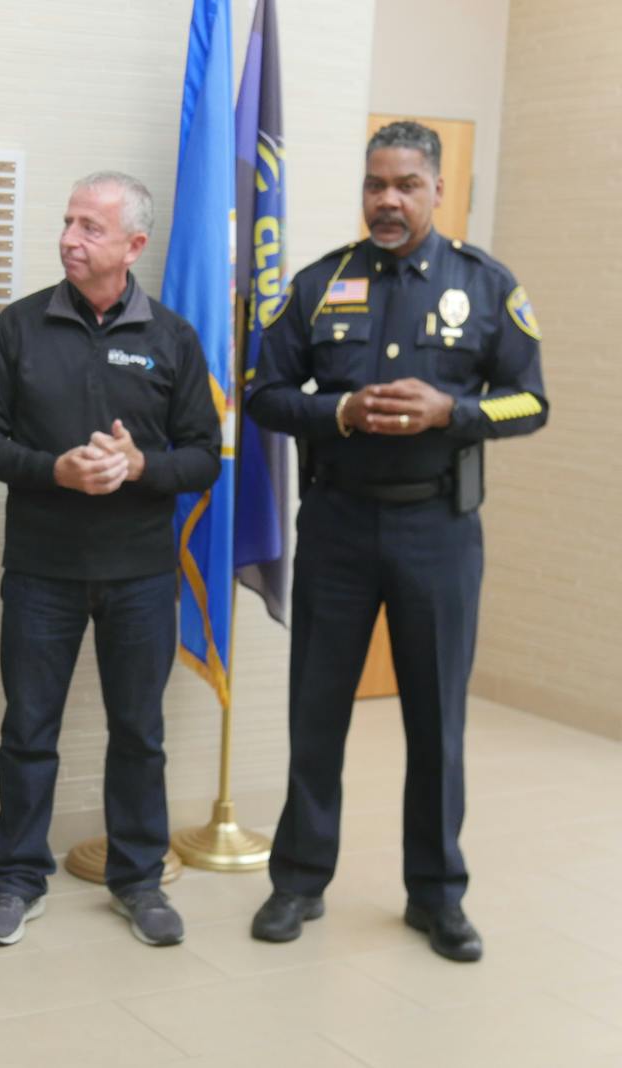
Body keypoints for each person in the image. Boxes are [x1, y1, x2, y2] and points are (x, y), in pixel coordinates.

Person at [245, 121, 547, 962]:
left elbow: (533, 403)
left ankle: (438, 896)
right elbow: (265, 394)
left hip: (439, 529)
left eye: (406, 184)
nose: (387, 199)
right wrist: (336, 411)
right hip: (339, 524)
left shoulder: (484, 286)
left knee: (437, 719)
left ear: (436, 189)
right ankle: (299, 882)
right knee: (316, 712)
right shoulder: (320, 283)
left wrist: (456, 412)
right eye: (375, 184)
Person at [0, 172, 221, 948]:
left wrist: (141, 469)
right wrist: (55, 470)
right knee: (28, 731)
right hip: (41, 571)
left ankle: (139, 881)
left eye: (91, 228)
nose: (70, 238)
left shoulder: (171, 337)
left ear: (134, 246)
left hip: (142, 575)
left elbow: (204, 456)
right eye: (68, 221)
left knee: (139, 732)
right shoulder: (20, 327)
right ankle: (16, 881)